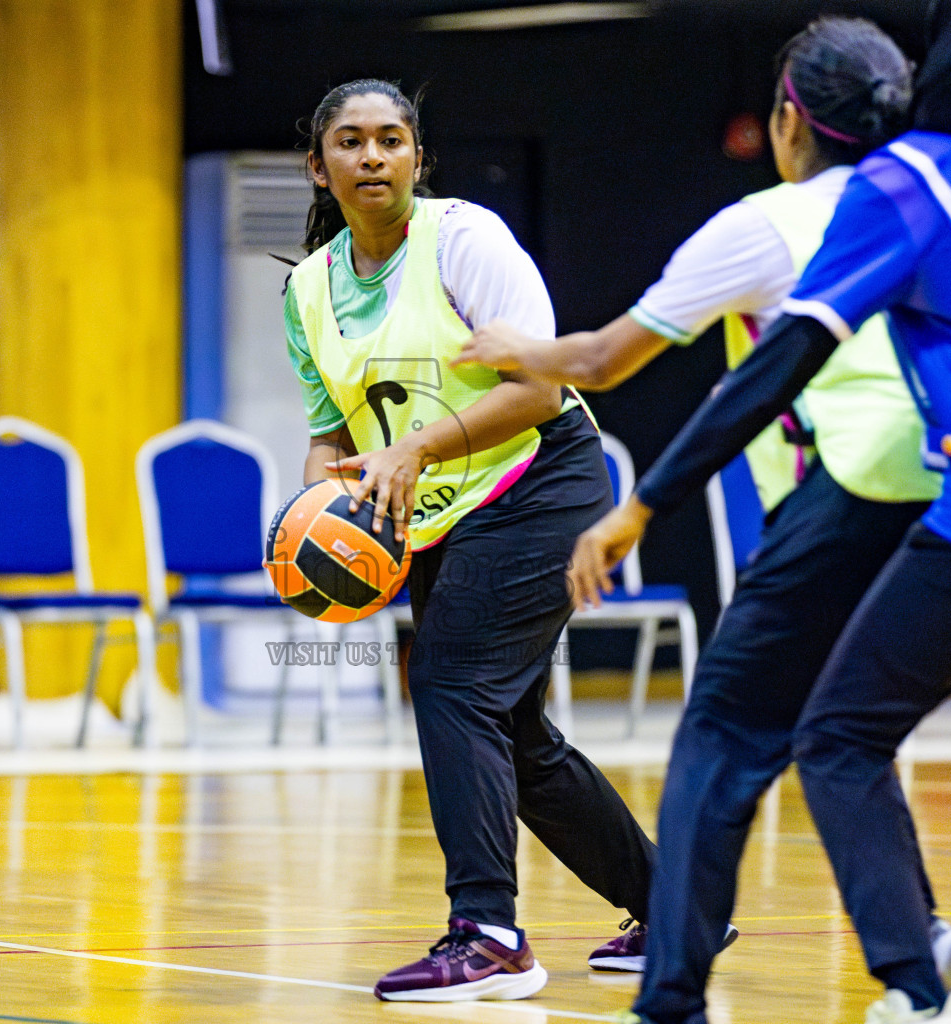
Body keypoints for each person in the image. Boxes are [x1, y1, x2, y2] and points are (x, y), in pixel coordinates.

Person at [569, 2, 951, 1023]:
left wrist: (645, 502)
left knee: (836, 736)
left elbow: (773, 365)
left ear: (790, 121)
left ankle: (905, 986)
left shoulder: (902, 188)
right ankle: (914, 945)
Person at [456, 13, 951, 991]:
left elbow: (607, 360)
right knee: (845, 727)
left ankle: (674, 972)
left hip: (850, 494)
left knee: (722, 734)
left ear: (789, 120)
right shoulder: (944, 205)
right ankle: (919, 947)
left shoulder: (767, 224)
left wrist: (515, 352)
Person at [283, 78, 660, 1003]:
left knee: (451, 685)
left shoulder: (464, 238)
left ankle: (488, 935)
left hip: (541, 480)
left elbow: (536, 389)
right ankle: (675, 905)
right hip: (438, 510)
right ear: (319, 165)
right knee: (512, 731)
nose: (372, 156)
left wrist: (414, 446)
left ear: (417, 157)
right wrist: (316, 529)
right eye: (351, 142)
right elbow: (332, 431)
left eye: (391, 139)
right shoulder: (306, 290)